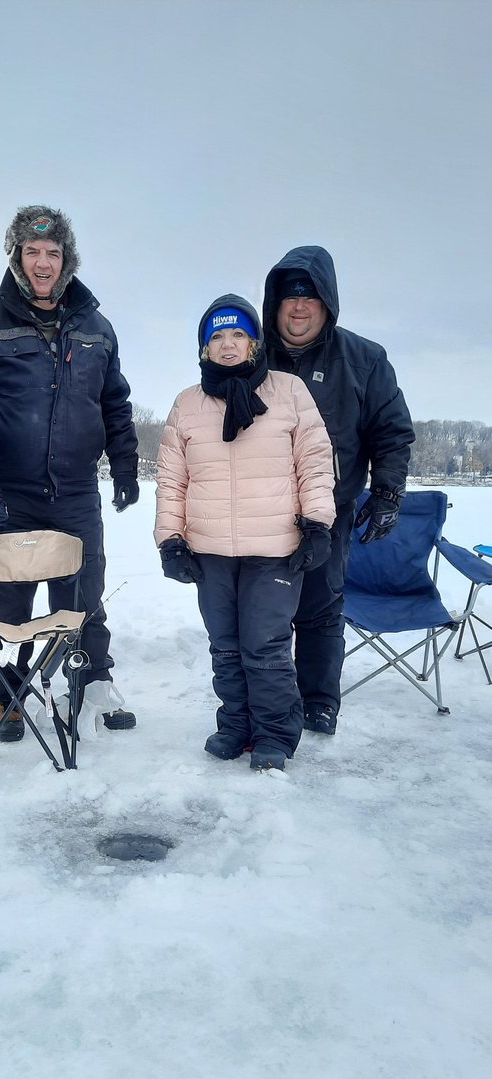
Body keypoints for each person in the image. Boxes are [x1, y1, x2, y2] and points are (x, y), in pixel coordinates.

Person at [0, 205, 139, 741]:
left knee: (83, 597)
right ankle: (7, 695)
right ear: (17, 256)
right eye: (32, 251)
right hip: (7, 492)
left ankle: (92, 684)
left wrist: (124, 466)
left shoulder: (96, 326)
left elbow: (114, 402)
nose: (43, 263)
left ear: (66, 259)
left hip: (74, 493)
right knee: (7, 602)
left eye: (53, 253)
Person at [154, 295, 335, 772]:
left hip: (275, 547)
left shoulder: (289, 391)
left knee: (265, 645)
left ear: (254, 343)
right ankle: (236, 723)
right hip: (210, 548)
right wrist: (170, 540)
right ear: (204, 348)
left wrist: (318, 524)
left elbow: (314, 463)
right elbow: (172, 479)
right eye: (217, 335)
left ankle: (275, 732)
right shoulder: (187, 404)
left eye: (238, 335)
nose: (228, 344)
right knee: (225, 645)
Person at [262, 246, 415, 735]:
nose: (299, 306)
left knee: (320, 607)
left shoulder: (365, 359)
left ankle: (320, 700)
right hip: (258, 508)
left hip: (329, 510)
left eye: (310, 296)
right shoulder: (250, 353)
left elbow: (391, 432)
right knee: (261, 611)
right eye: (290, 296)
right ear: (275, 303)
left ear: (328, 303)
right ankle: (266, 700)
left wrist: (388, 494)